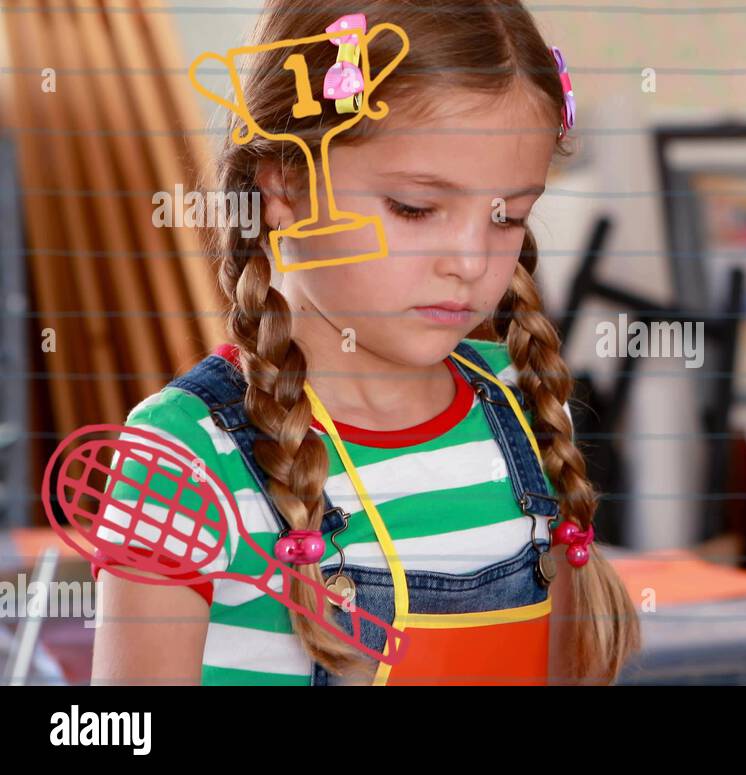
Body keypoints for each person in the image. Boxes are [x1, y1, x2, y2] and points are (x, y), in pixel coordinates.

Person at [90, 0, 640, 686]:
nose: (470, 260)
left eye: (508, 216)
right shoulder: (189, 454)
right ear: (285, 186)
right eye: (415, 207)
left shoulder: (521, 408)